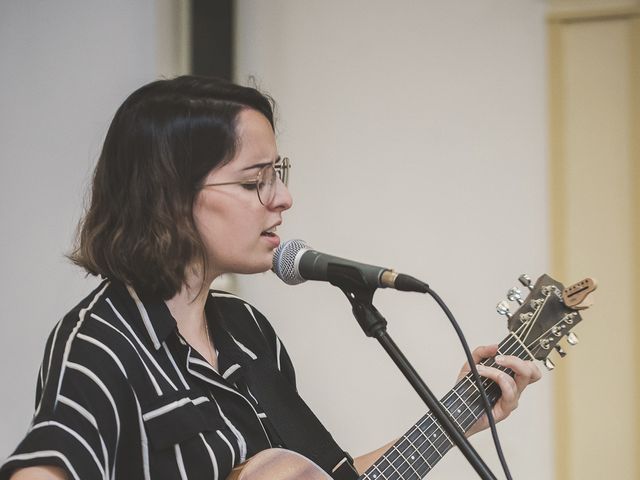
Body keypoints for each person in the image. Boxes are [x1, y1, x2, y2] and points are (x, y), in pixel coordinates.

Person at [0, 76, 540, 480]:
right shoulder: (102, 340)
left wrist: (457, 419)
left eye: (278, 174)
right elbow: (43, 467)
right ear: (169, 195)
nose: (282, 198)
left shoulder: (249, 332)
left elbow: (335, 474)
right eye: (255, 180)